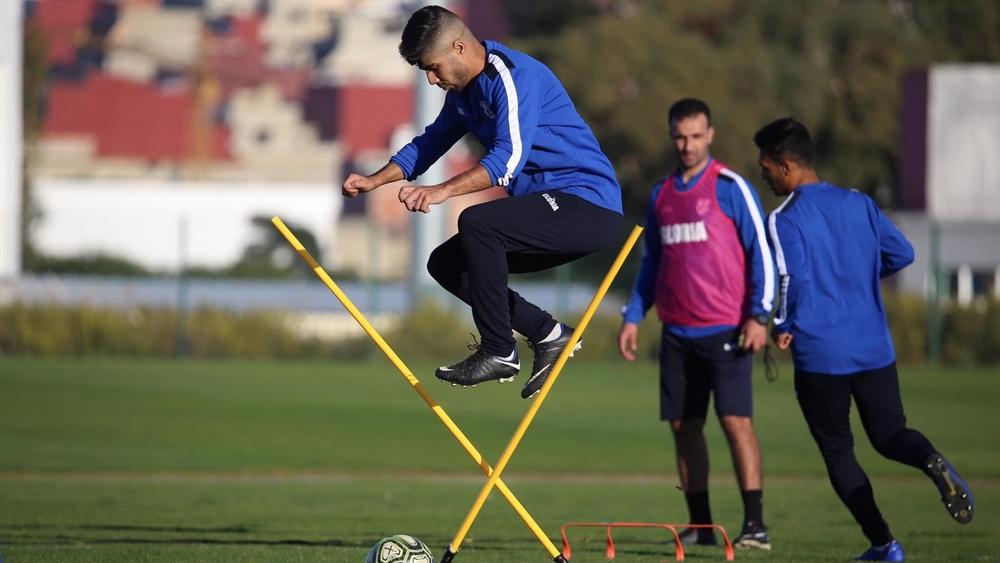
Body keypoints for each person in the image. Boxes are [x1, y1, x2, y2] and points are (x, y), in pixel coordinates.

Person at [342, 5, 622, 399]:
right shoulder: (464, 94)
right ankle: (549, 334)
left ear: (459, 47)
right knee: (446, 264)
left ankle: (499, 351)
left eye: (434, 67)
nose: (431, 78)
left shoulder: (510, 75)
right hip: (548, 207)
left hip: (586, 205)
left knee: (478, 222)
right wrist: (375, 180)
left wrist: (440, 191)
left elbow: (507, 160)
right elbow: (429, 143)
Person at [756, 117, 974, 561]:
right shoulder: (860, 203)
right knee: (891, 435)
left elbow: (789, 280)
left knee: (838, 451)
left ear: (785, 166)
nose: (764, 177)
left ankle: (884, 544)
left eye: (765, 169)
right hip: (874, 346)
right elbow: (904, 253)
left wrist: (781, 324)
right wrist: (856, 275)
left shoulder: (785, 218)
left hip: (821, 353)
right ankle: (931, 459)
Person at [618, 98, 775, 550]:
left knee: (735, 423)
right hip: (677, 335)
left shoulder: (730, 187)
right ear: (673, 137)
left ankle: (755, 525)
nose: (687, 145)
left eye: (695, 136)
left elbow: (759, 253)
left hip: (727, 330)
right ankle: (702, 526)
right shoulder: (661, 194)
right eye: (679, 137)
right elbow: (652, 265)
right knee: (683, 428)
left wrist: (758, 316)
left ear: (711, 135)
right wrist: (633, 316)